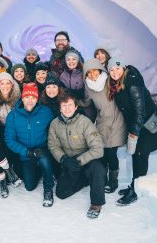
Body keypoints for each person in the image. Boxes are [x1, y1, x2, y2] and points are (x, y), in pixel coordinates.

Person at [107, 57, 157, 206]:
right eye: (111, 70)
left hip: (149, 128)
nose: (114, 72)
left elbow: (140, 112)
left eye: (117, 69)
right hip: (140, 126)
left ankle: (137, 191)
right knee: (136, 155)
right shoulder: (119, 83)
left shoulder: (132, 84)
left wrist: (133, 134)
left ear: (124, 69)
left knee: (140, 154)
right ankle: (134, 185)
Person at [48, 90, 105, 218]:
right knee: (61, 193)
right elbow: (53, 145)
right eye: (64, 105)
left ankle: (96, 203)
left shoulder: (85, 122)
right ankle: (85, 180)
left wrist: (79, 161)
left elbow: (98, 149)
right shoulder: (55, 124)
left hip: (86, 160)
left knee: (97, 168)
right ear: (60, 107)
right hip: (69, 162)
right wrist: (63, 159)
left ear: (76, 107)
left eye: (70, 105)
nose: (67, 108)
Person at [5, 83, 55, 207]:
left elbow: (54, 131)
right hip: (26, 153)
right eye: (27, 97)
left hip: (41, 149)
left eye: (33, 97)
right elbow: (9, 139)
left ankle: (48, 189)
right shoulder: (13, 115)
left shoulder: (46, 112)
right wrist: (26, 152)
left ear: (37, 99)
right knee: (29, 186)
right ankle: (38, 169)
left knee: (45, 161)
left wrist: (48, 147)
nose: (30, 100)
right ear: (22, 98)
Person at [82, 58, 127, 194]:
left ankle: (113, 181)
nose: (92, 75)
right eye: (89, 73)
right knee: (101, 153)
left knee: (111, 152)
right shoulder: (88, 87)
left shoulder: (109, 81)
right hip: (102, 123)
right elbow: (86, 102)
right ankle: (102, 179)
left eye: (94, 71)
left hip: (117, 121)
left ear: (100, 70)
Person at [0, 72, 22, 178]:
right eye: (2, 83)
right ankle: (2, 172)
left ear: (12, 85)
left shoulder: (18, 98)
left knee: (12, 148)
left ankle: (13, 169)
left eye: (8, 83)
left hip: (13, 128)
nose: (5, 86)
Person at [60, 51, 96, 121]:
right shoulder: (63, 76)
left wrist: (79, 103)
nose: (71, 62)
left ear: (78, 60)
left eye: (74, 59)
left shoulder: (84, 72)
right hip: (71, 111)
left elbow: (89, 93)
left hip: (86, 111)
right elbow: (63, 93)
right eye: (68, 59)